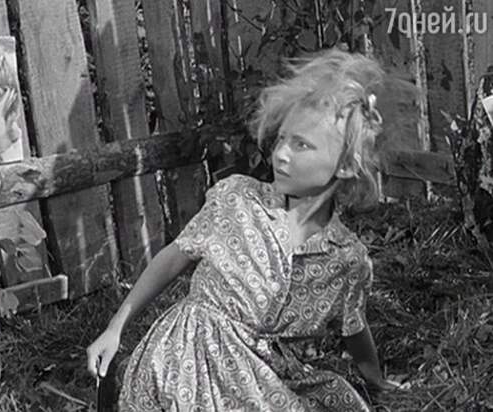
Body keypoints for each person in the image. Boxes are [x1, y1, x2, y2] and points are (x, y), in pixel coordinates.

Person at [87, 48, 403, 411]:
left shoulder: (345, 259)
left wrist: (376, 382)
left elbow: (354, 327)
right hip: (183, 361)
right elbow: (174, 257)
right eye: (282, 139)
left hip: (256, 374)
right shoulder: (237, 199)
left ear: (345, 167)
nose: (281, 154)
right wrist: (115, 328)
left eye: (301, 145)